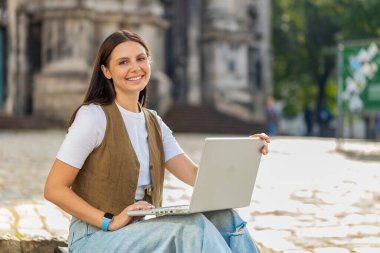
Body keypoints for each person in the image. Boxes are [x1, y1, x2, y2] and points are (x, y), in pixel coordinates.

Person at [44, 30, 270, 253]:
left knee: (225, 216)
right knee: (191, 228)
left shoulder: (153, 122)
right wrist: (108, 221)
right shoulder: (93, 117)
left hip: (140, 234)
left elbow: (194, 175)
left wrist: (245, 152)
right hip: (94, 238)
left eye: (141, 59)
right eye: (123, 62)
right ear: (106, 71)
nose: (135, 68)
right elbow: (54, 188)